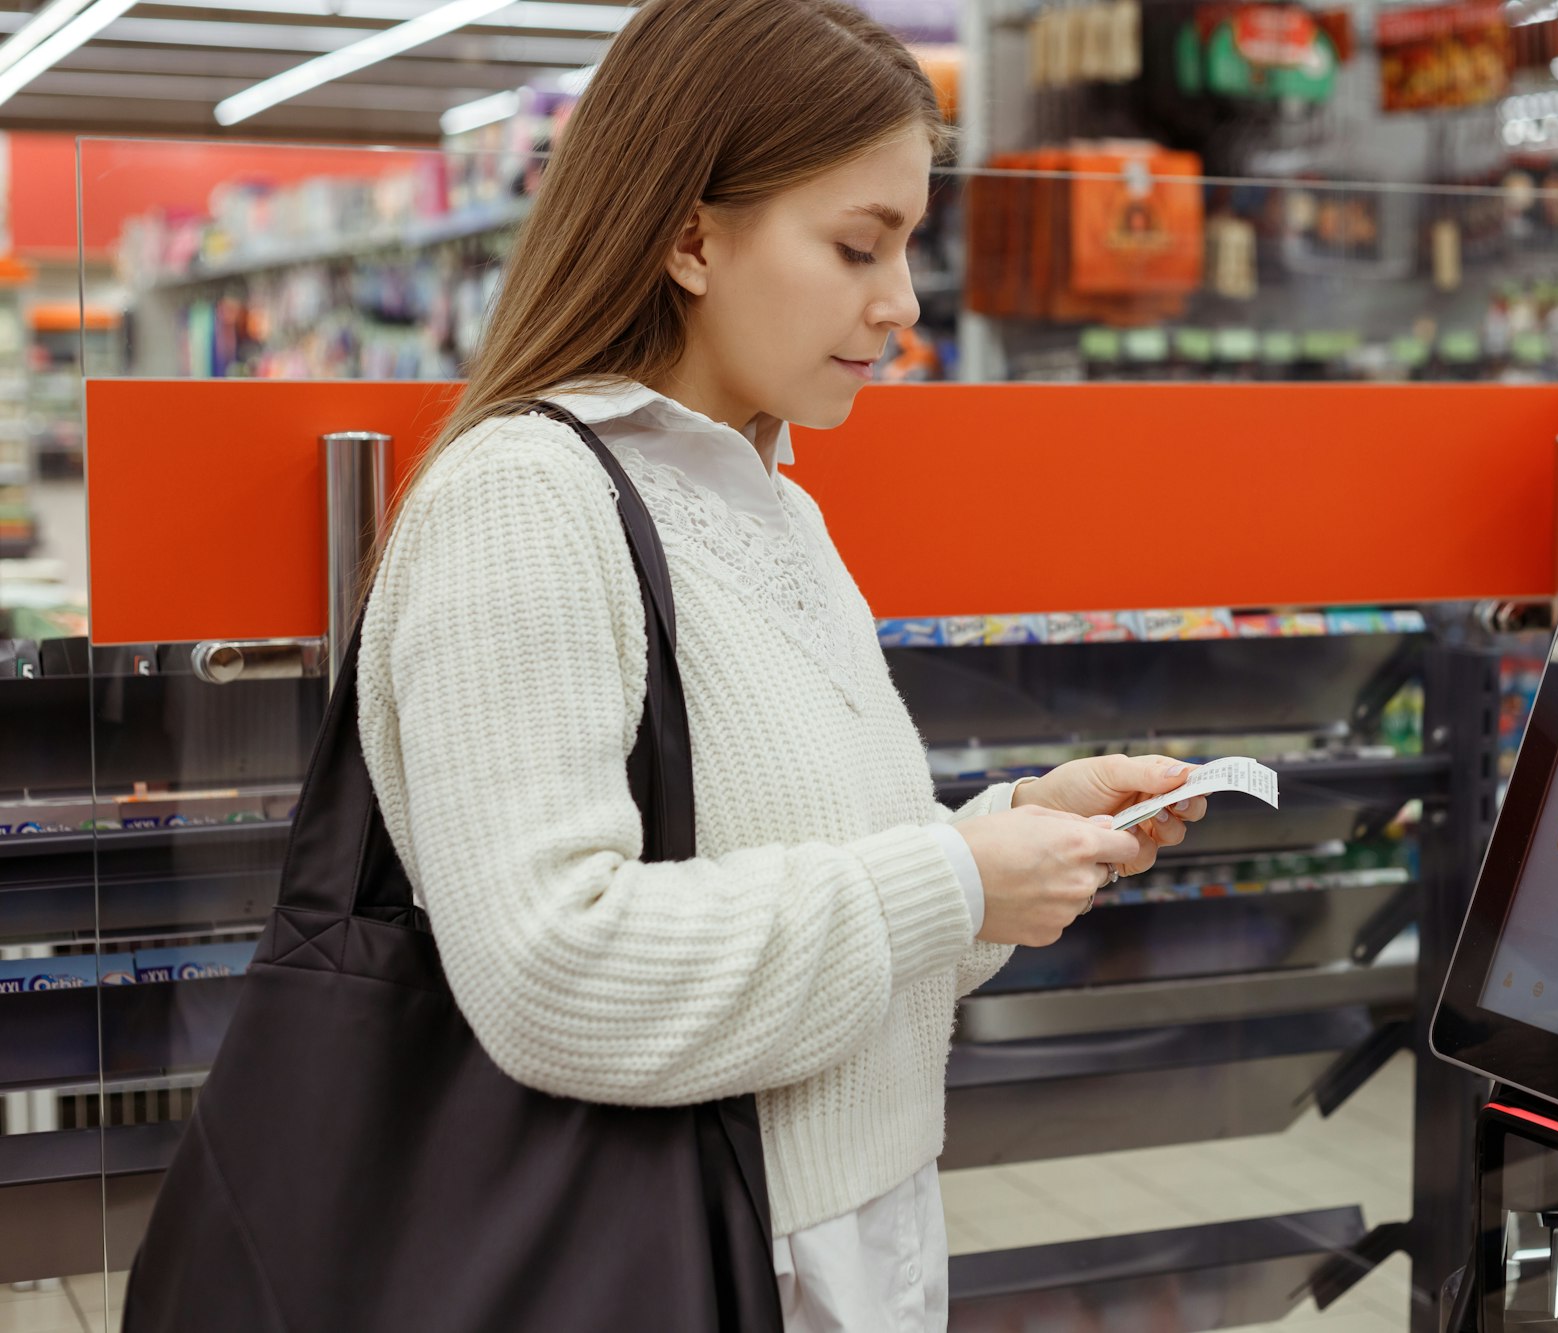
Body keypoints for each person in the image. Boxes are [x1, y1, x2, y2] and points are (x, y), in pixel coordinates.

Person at [355, 0, 1209, 1326]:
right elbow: (552, 970)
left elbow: (823, 887)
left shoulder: (766, 500)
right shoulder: (523, 500)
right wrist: (947, 874)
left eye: (909, 244)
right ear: (690, 235)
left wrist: (1007, 849)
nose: (903, 299)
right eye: (858, 244)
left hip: (846, 1238)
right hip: (677, 1252)